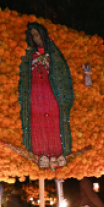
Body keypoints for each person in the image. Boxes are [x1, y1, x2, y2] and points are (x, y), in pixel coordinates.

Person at [19, 22, 74, 167]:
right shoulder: (29, 54)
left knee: (54, 122)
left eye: (37, 35)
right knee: (37, 122)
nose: (36, 39)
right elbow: (25, 74)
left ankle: (56, 153)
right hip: (35, 92)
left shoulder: (54, 53)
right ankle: (41, 154)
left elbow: (61, 74)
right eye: (33, 36)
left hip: (50, 91)